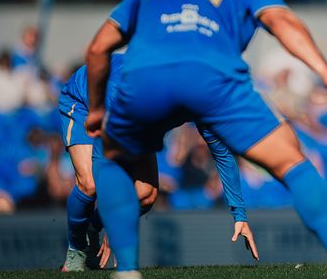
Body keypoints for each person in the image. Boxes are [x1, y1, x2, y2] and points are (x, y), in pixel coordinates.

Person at [83, 0, 327, 279]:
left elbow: (98, 48)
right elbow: (281, 21)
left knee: (113, 158)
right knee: (291, 160)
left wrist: (96, 108)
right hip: (212, 76)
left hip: (143, 76)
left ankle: (126, 271)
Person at [59, 53, 257, 271]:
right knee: (90, 184)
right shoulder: (131, 93)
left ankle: (92, 227)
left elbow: (222, 155)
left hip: (136, 120)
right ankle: (76, 249)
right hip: (85, 99)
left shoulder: (202, 100)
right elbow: (106, 164)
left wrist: (240, 215)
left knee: (146, 195)